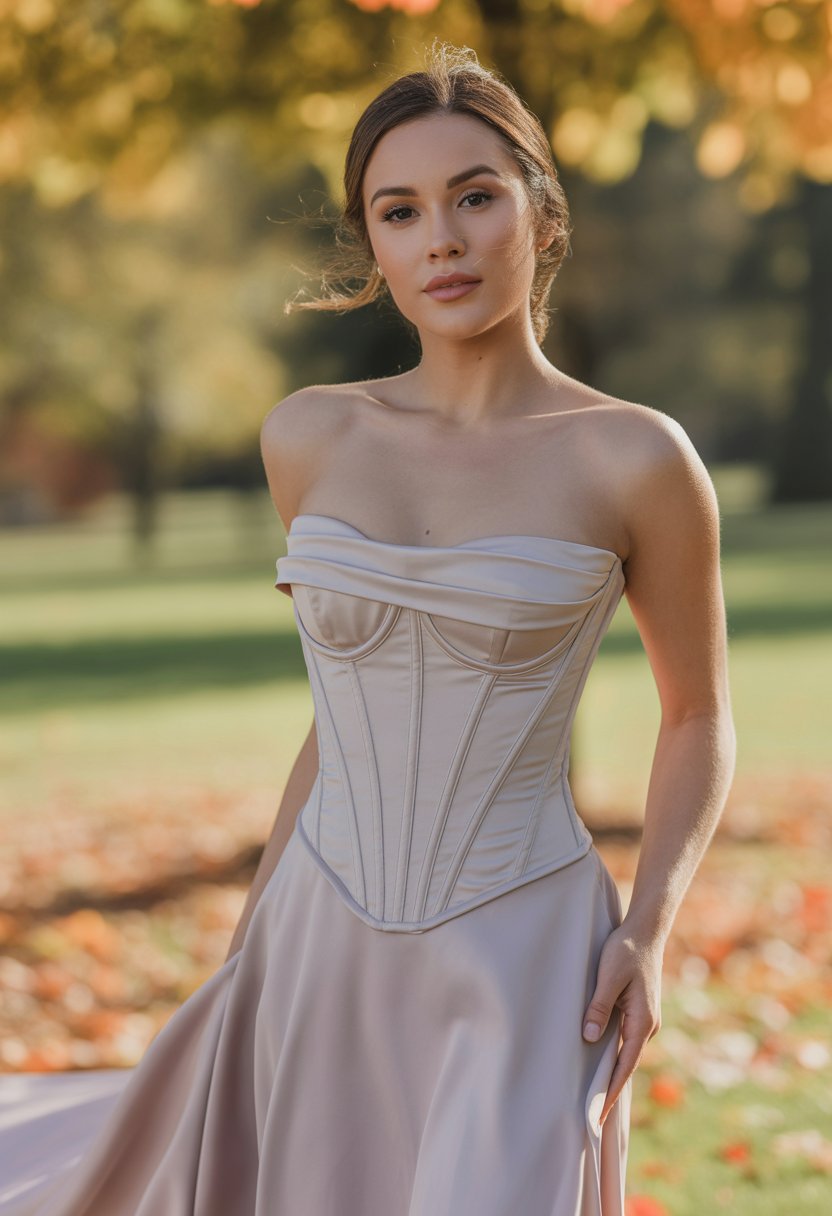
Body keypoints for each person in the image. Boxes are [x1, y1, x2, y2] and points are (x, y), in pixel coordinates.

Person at [0, 41, 736, 1216]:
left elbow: (696, 716)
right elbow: (341, 715)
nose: (440, 238)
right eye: (400, 211)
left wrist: (646, 929)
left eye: (475, 196)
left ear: (540, 214)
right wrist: (247, 953)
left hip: (524, 955)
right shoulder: (310, 437)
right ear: (374, 245)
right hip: (314, 932)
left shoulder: (634, 456)